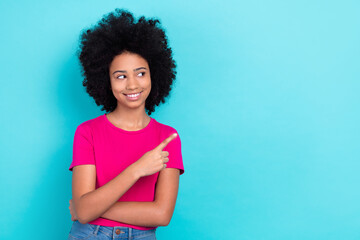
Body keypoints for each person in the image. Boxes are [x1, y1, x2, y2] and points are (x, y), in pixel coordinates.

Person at [67, 8, 184, 240]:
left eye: (140, 73)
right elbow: (83, 212)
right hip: (91, 234)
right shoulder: (87, 132)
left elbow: (161, 215)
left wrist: (91, 208)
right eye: (120, 76)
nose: (132, 85)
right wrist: (137, 169)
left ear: (154, 75)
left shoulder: (168, 137)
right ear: (106, 81)